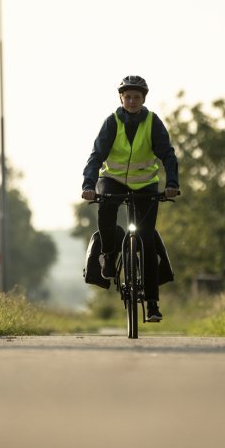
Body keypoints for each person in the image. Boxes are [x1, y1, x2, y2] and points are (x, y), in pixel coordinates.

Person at [81, 75, 179, 322]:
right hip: (112, 180)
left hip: (145, 184)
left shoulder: (153, 123)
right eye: (128, 97)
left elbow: (167, 154)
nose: (132, 101)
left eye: (137, 97)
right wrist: (89, 185)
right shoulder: (112, 123)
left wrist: (172, 184)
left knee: (146, 239)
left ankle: (153, 303)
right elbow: (96, 155)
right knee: (105, 211)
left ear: (144, 99)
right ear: (121, 99)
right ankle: (110, 255)